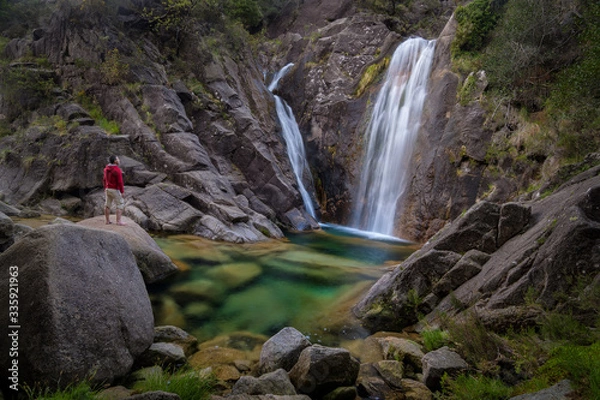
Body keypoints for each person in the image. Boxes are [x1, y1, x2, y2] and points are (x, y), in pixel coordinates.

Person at [103, 155, 126, 225]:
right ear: (115, 161)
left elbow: (104, 179)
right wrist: (122, 191)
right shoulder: (117, 170)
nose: (119, 160)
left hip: (107, 189)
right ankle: (118, 221)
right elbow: (120, 182)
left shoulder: (106, 169)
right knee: (120, 204)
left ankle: (107, 221)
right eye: (118, 159)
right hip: (115, 189)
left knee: (107, 205)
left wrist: (105, 187)